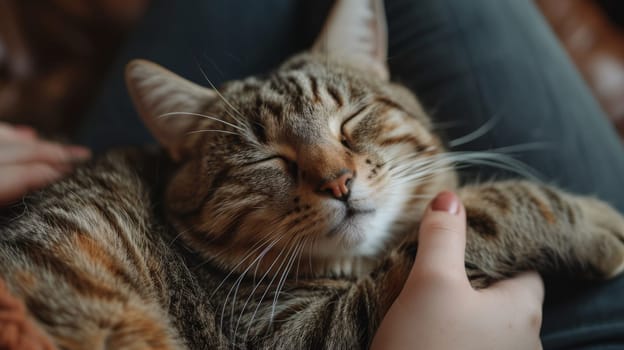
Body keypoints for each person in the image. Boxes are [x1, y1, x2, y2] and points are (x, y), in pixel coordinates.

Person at [3, 0, 624, 348]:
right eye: (271, 163)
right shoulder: (225, 280)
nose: (334, 176)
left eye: (354, 126)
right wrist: (523, 218)